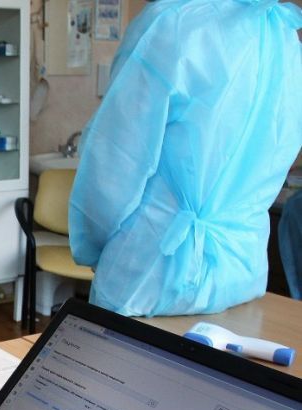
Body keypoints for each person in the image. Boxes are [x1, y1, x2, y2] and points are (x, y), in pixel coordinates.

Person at [68, 0, 302, 317]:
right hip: (238, 275)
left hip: (148, 275)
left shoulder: (174, 23)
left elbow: (113, 165)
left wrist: (94, 247)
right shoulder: (283, 37)